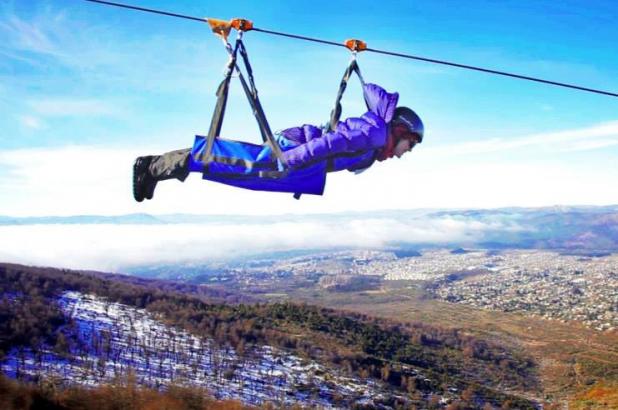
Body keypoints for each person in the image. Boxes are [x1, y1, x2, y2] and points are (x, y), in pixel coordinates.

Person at [132, 83, 423, 202]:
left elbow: (341, 150)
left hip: (305, 164)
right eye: (409, 146)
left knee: (240, 173)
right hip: (297, 153)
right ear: (400, 131)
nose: (404, 154)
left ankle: (159, 170)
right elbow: (329, 145)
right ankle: (153, 166)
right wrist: (289, 162)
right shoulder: (374, 133)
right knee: (235, 161)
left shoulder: (375, 140)